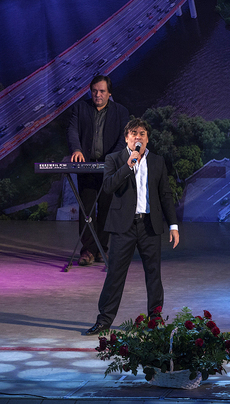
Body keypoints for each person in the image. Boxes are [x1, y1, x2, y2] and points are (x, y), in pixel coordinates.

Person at [85, 118, 179, 335]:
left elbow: (165, 194)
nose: (138, 137)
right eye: (134, 133)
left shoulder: (157, 161)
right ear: (127, 137)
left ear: (148, 139)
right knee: (115, 274)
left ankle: (155, 320)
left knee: (153, 275)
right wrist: (128, 165)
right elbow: (108, 187)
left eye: (142, 134)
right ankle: (104, 320)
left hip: (149, 225)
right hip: (123, 226)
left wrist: (173, 225)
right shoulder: (114, 159)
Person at [67, 75, 129, 266]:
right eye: (94, 91)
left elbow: (124, 138)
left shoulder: (121, 112)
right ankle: (87, 251)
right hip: (87, 167)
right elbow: (72, 131)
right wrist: (77, 149)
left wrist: (113, 158)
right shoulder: (80, 108)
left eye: (102, 91)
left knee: (105, 209)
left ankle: (102, 249)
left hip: (109, 169)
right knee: (86, 209)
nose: (98, 95)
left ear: (109, 93)